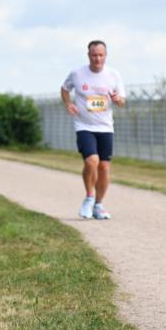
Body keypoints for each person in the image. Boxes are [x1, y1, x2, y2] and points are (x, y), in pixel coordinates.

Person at [61, 40, 126, 219]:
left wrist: (117, 99)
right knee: (92, 161)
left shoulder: (114, 75)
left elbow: (122, 102)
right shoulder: (77, 73)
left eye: (100, 55)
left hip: (105, 127)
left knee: (104, 167)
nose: (97, 58)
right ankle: (89, 197)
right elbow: (64, 89)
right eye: (94, 55)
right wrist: (68, 103)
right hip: (84, 125)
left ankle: (99, 204)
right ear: (88, 55)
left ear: (105, 56)